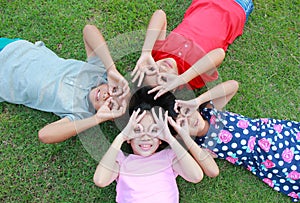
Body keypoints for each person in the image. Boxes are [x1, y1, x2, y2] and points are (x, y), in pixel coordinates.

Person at [0, 24, 130, 144]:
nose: (107, 96)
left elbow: (44, 135)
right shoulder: (98, 72)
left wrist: (97, 119)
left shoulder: (81, 114)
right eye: (115, 91)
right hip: (15, 49)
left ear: (110, 117)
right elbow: (88, 30)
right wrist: (111, 68)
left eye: (111, 104)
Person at [174, 80, 300, 202]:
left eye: (186, 112)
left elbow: (233, 85)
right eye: (183, 123)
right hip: (269, 158)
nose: (190, 119)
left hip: (277, 132)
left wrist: (198, 100)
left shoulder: (210, 111)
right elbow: (213, 171)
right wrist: (185, 138)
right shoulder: (201, 146)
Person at [93, 87, 219, 203]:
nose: (145, 137)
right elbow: (100, 180)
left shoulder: (168, 157)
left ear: (160, 139)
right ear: (129, 138)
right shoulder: (121, 160)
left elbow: (196, 176)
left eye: (154, 131)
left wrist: (171, 139)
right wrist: (120, 137)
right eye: (137, 130)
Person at [131, 0, 254, 99]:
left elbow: (160, 15)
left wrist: (146, 52)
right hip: (237, 7)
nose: (161, 68)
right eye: (163, 78)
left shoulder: (158, 54)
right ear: (172, 88)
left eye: (152, 69)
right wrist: (183, 78)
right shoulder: (193, 79)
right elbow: (219, 54)